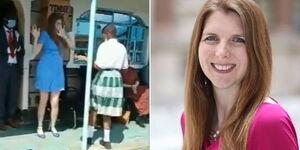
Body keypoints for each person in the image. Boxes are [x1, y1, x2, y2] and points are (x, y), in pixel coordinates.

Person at [181, 0, 299, 150]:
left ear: (257, 49)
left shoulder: (269, 122)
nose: (222, 52)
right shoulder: (191, 120)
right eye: (211, 38)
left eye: (238, 40)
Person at [31, 13, 74, 139]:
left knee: (55, 102)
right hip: (45, 69)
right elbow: (34, 53)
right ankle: (39, 126)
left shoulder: (63, 36)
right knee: (43, 101)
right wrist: (35, 38)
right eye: (57, 23)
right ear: (52, 23)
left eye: (61, 23)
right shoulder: (45, 34)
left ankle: (53, 126)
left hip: (57, 71)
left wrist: (64, 36)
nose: (60, 26)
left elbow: (72, 47)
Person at [90, 24, 128, 149]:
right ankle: (106, 140)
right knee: (108, 111)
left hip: (103, 77)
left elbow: (98, 65)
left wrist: (88, 60)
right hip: (116, 79)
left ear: (107, 33)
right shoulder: (122, 47)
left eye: (103, 35)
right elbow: (125, 67)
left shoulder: (103, 46)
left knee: (94, 107)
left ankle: (90, 136)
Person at [0, 8, 24, 130]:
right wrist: (8, 50)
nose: (12, 22)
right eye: (10, 20)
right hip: (2, 68)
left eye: (14, 20)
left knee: (13, 94)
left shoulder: (17, 34)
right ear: (4, 20)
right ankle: (1, 119)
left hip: (14, 68)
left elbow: (22, 52)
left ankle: (10, 118)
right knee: (1, 93)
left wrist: (18, 48)